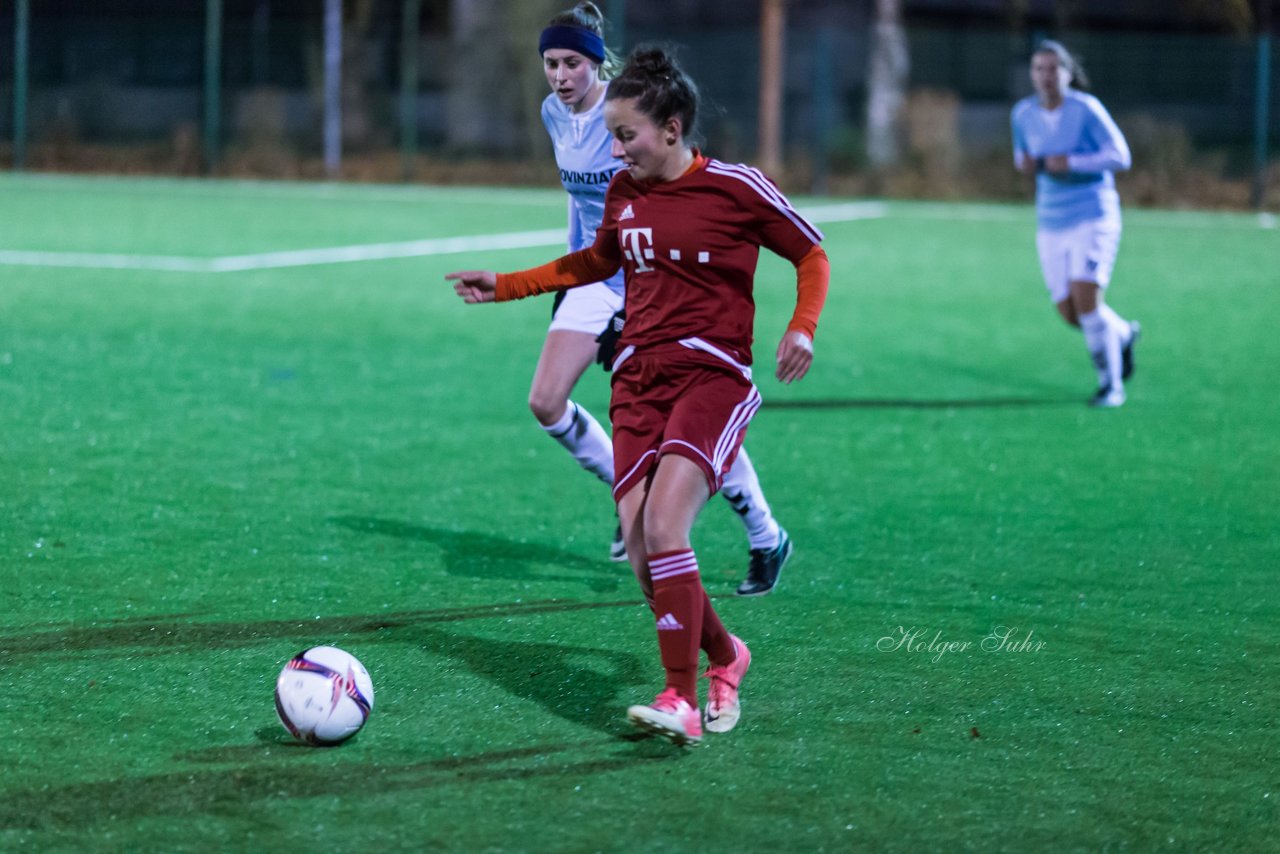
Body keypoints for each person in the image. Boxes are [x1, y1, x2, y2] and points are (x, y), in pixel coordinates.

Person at [446, 45, 830, 745]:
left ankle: (680, 698)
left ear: (673, 129)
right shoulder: (626, 193)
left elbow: (811, 251)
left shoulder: (737, 188)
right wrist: (506, 285)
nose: (615, 148)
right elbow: (594, 262)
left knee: (663, 531)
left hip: (711, 378)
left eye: (625, 135)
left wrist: (801, 328)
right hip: (638, 382)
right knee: (647, 556)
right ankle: (726, 656)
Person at [531, 2, 793, 596]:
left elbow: (666, 192)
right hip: (596, 276)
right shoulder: (553, 114)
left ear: (595, 63)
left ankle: (764, 532)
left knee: (687, 419)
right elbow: (581, 206)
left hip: (654, 281)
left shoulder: (626, 116)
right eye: (551, 63)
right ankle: (628, 494)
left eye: (572, 62)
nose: (561, 75)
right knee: (546, 401)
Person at [1011, 39, 1140, 408]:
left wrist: (1074, 162)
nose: (1046, 76)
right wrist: (1026, 164)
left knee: (1087, 301)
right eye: (1039, 69)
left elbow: (1121, 155)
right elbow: (1023, 154)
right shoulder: (1022, 113)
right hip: (1051, 222)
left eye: (1054, 68)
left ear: (1068, 73)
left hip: (1094, 216)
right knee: (1071, 314)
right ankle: (1124, 334)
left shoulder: (1087, 109)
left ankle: (1111, 386)